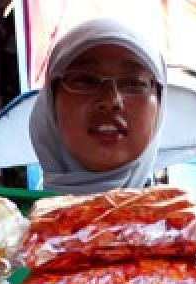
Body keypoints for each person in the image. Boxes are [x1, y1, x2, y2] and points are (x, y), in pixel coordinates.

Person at [29, 19, 167, 194]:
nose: (111, 100)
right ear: (50, 100)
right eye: (85, 81)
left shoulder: (190, 219)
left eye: (133, 83)